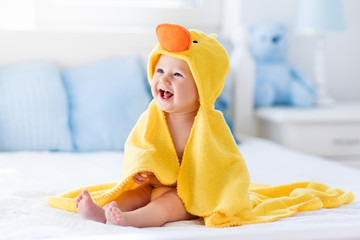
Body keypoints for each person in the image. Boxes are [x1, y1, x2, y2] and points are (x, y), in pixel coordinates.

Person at [75, 54, 199, 227]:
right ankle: (103, 212)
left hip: (187, 194)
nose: (164, 78)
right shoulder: (152, 117)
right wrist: (142, 168)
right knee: (135, 194)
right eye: (160, 70)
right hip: (153, 185)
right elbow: (138, 146)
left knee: (167, 205)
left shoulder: (205, 126)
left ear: (201, 87)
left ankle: (130, 219)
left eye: (177, 74)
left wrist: (164, 179)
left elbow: (211, 171)